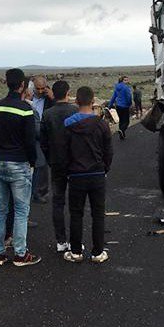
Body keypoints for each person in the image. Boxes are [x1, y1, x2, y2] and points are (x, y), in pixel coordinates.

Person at [0, 68, 41, 267]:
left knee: (0, 209)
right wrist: (32, 161)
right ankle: (20, 254)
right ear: (22, 85)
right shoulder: (25, 109)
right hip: (19, 163)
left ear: (7, 83)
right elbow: (30, 141)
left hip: (0, 161)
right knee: (21, 210)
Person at [63, 86, 114, 264]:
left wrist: (67, 170)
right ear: (93, 102)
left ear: (76, 101)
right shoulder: (102, 124)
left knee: (76, 213)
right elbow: (109, 151)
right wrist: (104, 169)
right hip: (97, 174)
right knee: (98, 214)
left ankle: (76, 252)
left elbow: (65, 151)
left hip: (76, 175)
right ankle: (98, 252)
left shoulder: (68, 124)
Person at [39, 80, 78, 252]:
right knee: (76, 203)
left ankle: (61, 241)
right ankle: (75, 242)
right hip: (76, 164)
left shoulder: (47, 114)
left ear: (53, 94)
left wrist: (50, 159)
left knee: (58, 202)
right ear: (68, 92)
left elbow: (43, 141)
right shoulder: (75, 111)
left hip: (56, 163)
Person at [29, 76, 54, 203]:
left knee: (42, 164)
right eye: (37, 88)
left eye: (42, 88)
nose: (40, 91)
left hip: (42, 134)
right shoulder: (29, 97)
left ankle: (39, 193)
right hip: (28, 133)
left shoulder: (50, 99)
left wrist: (53, 98)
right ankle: (33, 192)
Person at [108, 75, 133, 140]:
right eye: (125, 80)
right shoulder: (126, 88)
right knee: (126, 121)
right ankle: (122, 130)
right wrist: (130, 104)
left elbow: (113, 97)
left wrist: (110, 106)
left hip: (118, 106)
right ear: (122, 80)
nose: (127, 81)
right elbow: (129, 97)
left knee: (121, 120)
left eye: (127, 80)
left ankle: (122, 135)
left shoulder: (117, 87)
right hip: (125, 106)